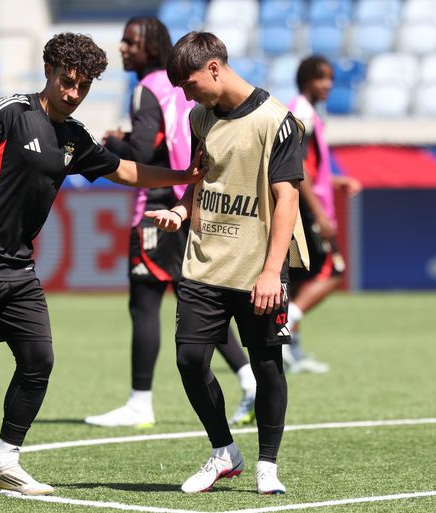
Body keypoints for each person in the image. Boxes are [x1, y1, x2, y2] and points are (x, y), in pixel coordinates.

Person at [0, 32, 207, 499]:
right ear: (49, 72)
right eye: (67, 82)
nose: (73, 93)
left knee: (39, 360)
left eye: (83, 87)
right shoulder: (14, 112)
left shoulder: (73, 138)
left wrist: (184, 176)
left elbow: (122, 170)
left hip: (16, 267)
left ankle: (5, 462)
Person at [145, 32, 309, 495]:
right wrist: (182, 210)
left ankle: (268, 465)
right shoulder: (201, 117)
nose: (185, 94)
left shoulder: (278, 122)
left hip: (258, 267)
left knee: (267, 364)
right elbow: (202, 178)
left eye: (190, 83)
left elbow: (286, 201)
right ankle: (224, 452)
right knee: (189, 359)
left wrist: (272, 271)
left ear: (214, 68)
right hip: (204, 262)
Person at [84, 16, 257, 429]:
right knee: (198, 301)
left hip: (161, 202)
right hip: (193, 199)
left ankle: (140, 402)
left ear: (151, 46)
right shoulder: (185, 84)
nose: (123, 48)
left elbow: (143, 149)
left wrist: (112, 143)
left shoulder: (147, 89)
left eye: (130, 42)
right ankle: (250, 379)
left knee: (144, 301)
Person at [284, 56, 362, 374]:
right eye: (321, 78)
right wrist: (319, 212)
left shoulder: (306, 110)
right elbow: (297, 166)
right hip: (306, 207)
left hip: (303, 204)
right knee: (333, 271)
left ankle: (293, 351)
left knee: (301, 280)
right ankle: (287, 321)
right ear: (306, 80)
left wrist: (336, 180)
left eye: (330, 78)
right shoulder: (302, 111)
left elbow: (310, 166)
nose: (328, 84)